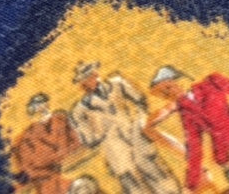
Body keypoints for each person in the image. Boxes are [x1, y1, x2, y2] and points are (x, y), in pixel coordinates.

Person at [70, 61, 181, 194]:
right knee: (134, 186)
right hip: (117, 152)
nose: (91, 79)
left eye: (91, 75)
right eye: (85, 79)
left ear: (96, 73)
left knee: (159, 175)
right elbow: (89, 140)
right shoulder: (79, 111)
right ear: (82, 84)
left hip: (137, 139)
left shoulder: (117, 83)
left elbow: (140, 100)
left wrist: (141, 123)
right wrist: (99, 132)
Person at [148, 67, 229, 191]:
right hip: (228, 162)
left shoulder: (213, 81)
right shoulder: (186, 112)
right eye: (164, 94)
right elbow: (194, 147)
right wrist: (191, 184)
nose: (169, 94)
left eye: (168, 87)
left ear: (179, 80)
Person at [12, 93, 82, 194]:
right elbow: (29, 166)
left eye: (43, 103)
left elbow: (76, 141)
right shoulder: (29, 136)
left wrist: (66, 157)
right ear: (33, 110)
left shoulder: (60, 120)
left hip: (71, 164)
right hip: (46, 176)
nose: (41, 108)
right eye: (37, 106)